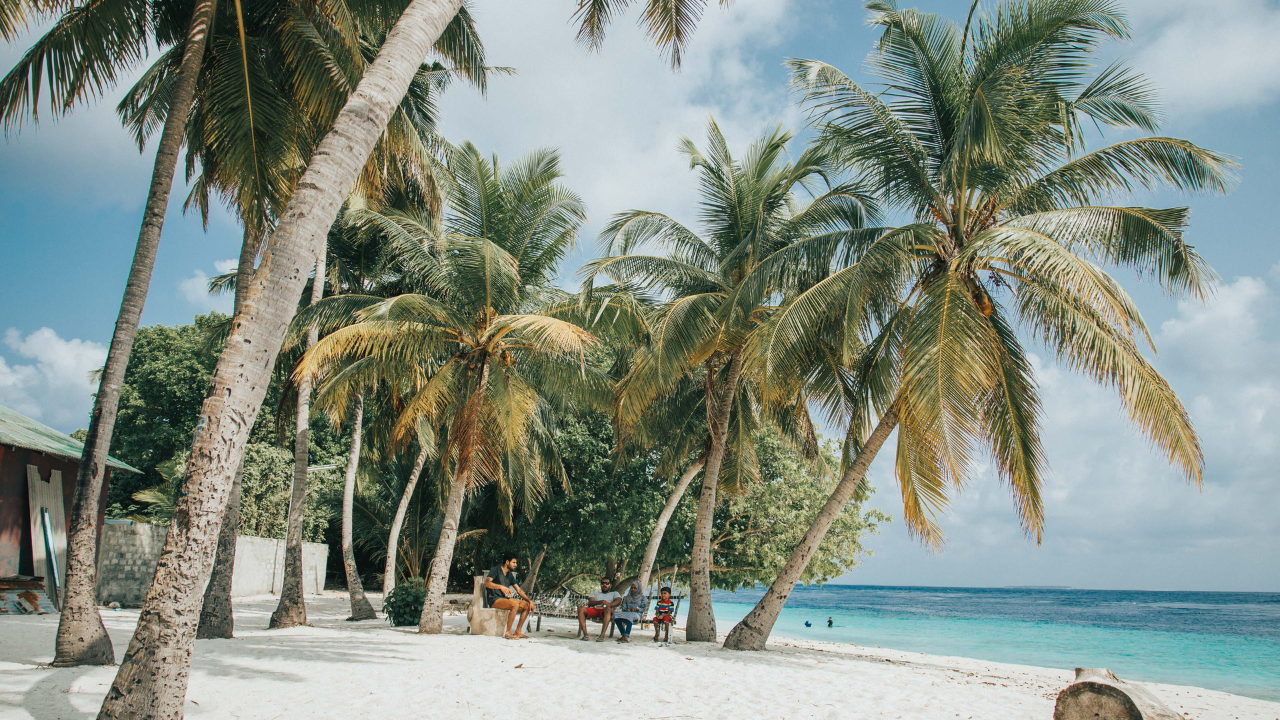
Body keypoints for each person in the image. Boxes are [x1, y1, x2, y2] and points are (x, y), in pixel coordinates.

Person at [484, 551, 533, 639]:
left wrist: (529, 601)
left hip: (504, 600)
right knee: (515, 604)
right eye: (513, 562)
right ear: (507, 562)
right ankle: (508, 632)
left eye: (516, 563)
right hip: (494, 600)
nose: (515, 565)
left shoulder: (509, 574)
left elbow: (519, 590)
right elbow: (486, 583)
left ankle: (518, 632)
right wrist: (500, 587)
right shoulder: (496, 569)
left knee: (526, 605)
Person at [577, 577, 620, 641]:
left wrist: (606, 606)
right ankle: (585, 635)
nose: (604, 585)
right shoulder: (595, 593)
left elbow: (618, 601)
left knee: (608, 609)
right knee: (581, 609)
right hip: (595, 609)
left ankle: (602, 636)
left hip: (606, 611)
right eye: (602, 583)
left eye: (607, 583)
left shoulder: (614, 593)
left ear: (610, 585)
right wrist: (602, 601)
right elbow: (590, 603)